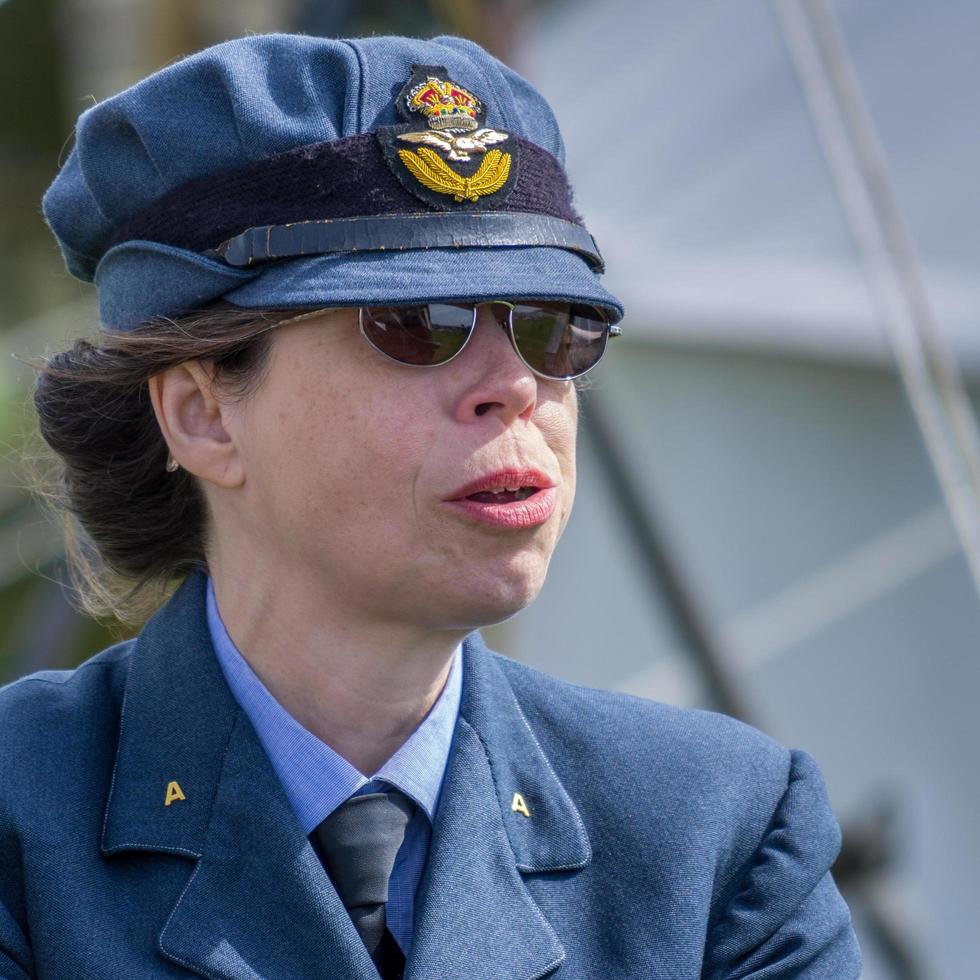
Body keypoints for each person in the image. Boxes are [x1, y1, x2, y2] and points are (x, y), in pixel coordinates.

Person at [0, 32, 861, 979]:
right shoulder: (21, 828)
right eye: (419, 324)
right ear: (203, 416)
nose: (515, 386)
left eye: (554, 328)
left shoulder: (718, 835)